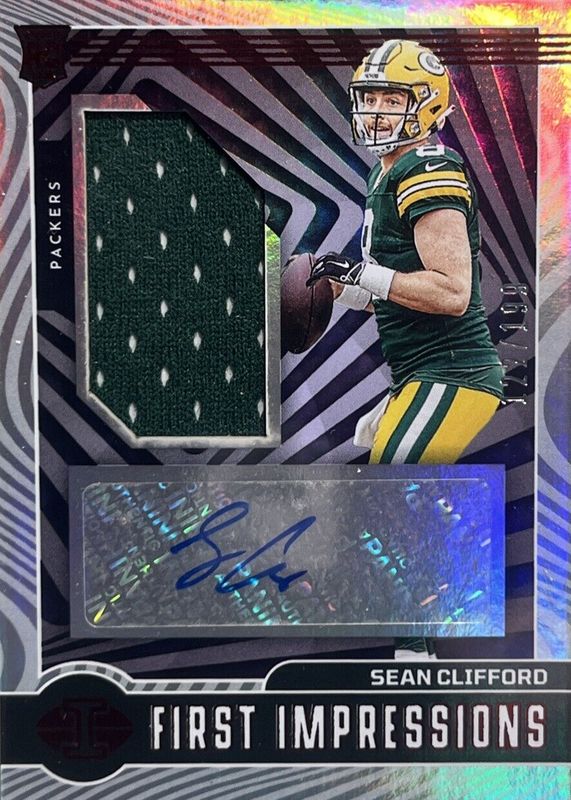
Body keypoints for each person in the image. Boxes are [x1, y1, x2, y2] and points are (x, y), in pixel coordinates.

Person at [307, 39, 504, 660]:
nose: (376, 111)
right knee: (383, 499)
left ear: (428, 104)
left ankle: (417, 653)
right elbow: (392, 297)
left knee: (396, 494)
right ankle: (408, 641)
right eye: (369, 98)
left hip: (454, 372)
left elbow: (450, 293)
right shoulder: (386, 172)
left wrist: (364, 274)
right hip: (418, 375)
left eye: (391, 99)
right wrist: (338, 286)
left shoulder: (428, 168)